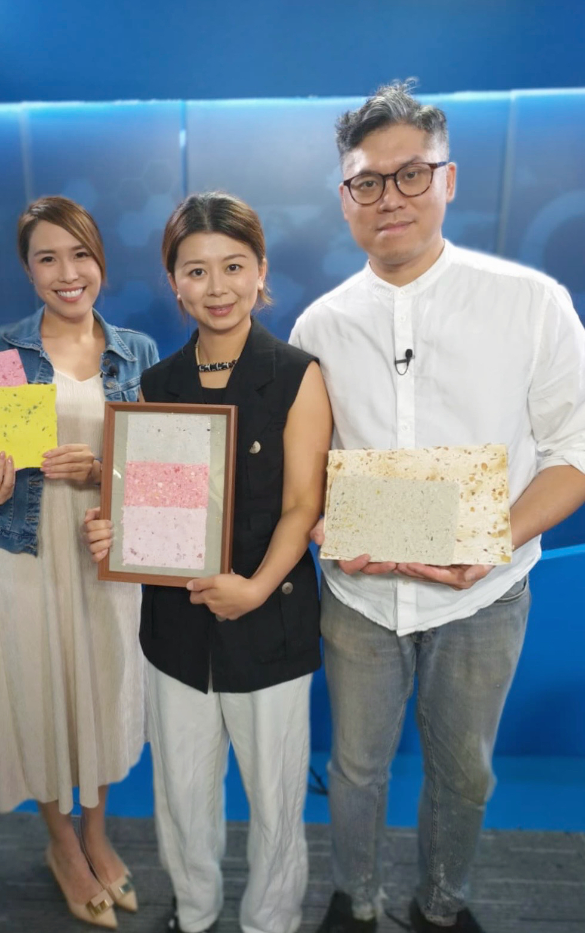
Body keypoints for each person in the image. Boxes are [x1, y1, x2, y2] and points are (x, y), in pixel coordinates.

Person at [289, 81, 585, 933]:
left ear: (448, 179)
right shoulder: (318, 327)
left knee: (466, 773)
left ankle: (441, 902)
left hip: (486, 595)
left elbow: (573, 453)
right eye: (367, 181)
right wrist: (317, 520)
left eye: (411, 174)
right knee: (355, 767)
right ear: (345, 196)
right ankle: (357, 898)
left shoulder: (531, 303)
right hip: (360, 594)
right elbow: (307, 476)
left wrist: (490, 540)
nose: (390, 197)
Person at [84, 192, 333, 933]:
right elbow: (154, 508)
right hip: (177, 630)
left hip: (272, 621)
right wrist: (115, 533)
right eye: (196, 270)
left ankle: (270, 920)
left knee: (276, 798)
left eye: (233, 266)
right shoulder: (156, 385)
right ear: (174, 281)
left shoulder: (298, 374)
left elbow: (301, 504)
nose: (216, 287)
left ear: (261, 272)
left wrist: (254, 588)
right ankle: (193, 913)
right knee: (183, 793)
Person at [0, 196, 159, 929]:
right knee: (39, 690)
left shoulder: (138, 351)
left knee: (105, 691)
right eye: (47, 258)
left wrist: (103, 470)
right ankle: (63, 846)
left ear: (100, 260)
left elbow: (161, 474)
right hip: (29, 553)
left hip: (104, 550)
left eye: (80, 254)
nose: (66, 272)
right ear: (28, 270)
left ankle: (97, 835)